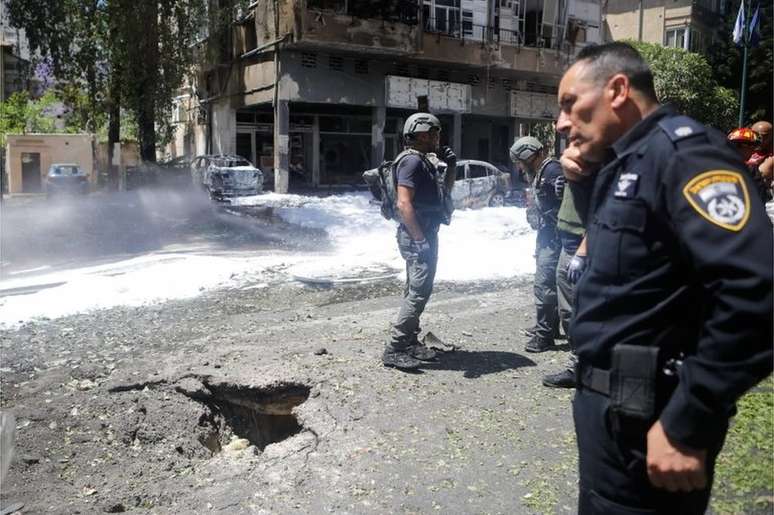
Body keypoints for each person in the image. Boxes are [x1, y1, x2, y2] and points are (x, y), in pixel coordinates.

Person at [555, 42, 772, 513]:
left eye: (570, 104)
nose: (561, 122)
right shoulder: (627, 162)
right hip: (610, 411)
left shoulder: (686, 156)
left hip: (655, 415)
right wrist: (586, 182)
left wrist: (690, 418)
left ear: (617, 89)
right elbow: (635, 265)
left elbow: (757, 292)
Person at [383, 113, 456, 370]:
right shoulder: (412, 162)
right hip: (418, 236)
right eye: (435, 133)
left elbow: (443, 194)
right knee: (418, 293)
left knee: (414, 289)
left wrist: (452, 166)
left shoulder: (421, 160)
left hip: (423, 233)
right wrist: (420, 240)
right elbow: (404, 203)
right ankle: (395, 348)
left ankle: (410, 341)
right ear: (423, 134)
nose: (438, 137)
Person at [510, 136, 563, 353]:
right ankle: (550, 327)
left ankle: (545, 335)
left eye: (520, 161)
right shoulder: (541, 172)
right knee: (550, 283)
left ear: (530, 155)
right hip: (547, 235)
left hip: (555, 238)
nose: (519, 166)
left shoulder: (552, 171)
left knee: (544, 285)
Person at [541, 172, 593, 388]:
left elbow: (604, 215)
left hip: (581, 248)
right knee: (568, 311)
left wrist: (582, 253)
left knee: (582, 311)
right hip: (567, 244)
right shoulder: (577, 168)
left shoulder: (603, 167)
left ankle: (584, 367)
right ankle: (578, 364)